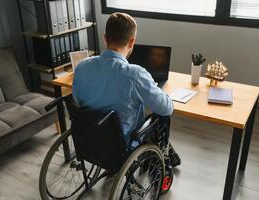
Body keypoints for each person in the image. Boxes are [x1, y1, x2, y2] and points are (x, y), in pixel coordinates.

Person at [72, 12, 180, 167]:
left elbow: (77, 100)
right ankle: (162, 159)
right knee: (162, 116)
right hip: (121, 145)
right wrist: (161, 92)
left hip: (88, 137)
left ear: (105, 38)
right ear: (132, 42)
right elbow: (166, 108)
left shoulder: (82, 66)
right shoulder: (135, 74)